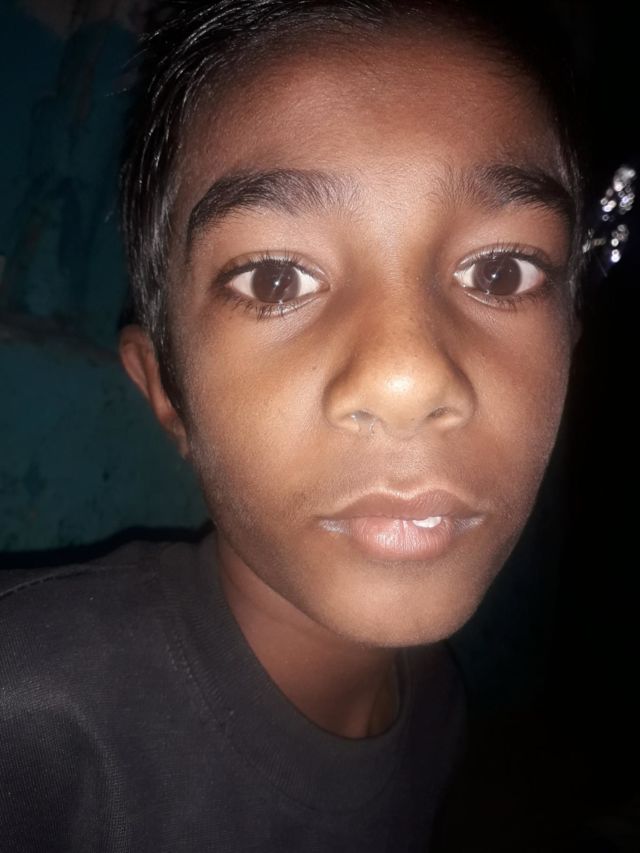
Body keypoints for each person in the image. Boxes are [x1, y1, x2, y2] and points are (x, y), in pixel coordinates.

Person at [0, 0, 586, 849]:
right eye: (275, 279)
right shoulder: (27, 722)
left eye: (502, 271)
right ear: (167, 392)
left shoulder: (441, 714)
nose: (406, 377)